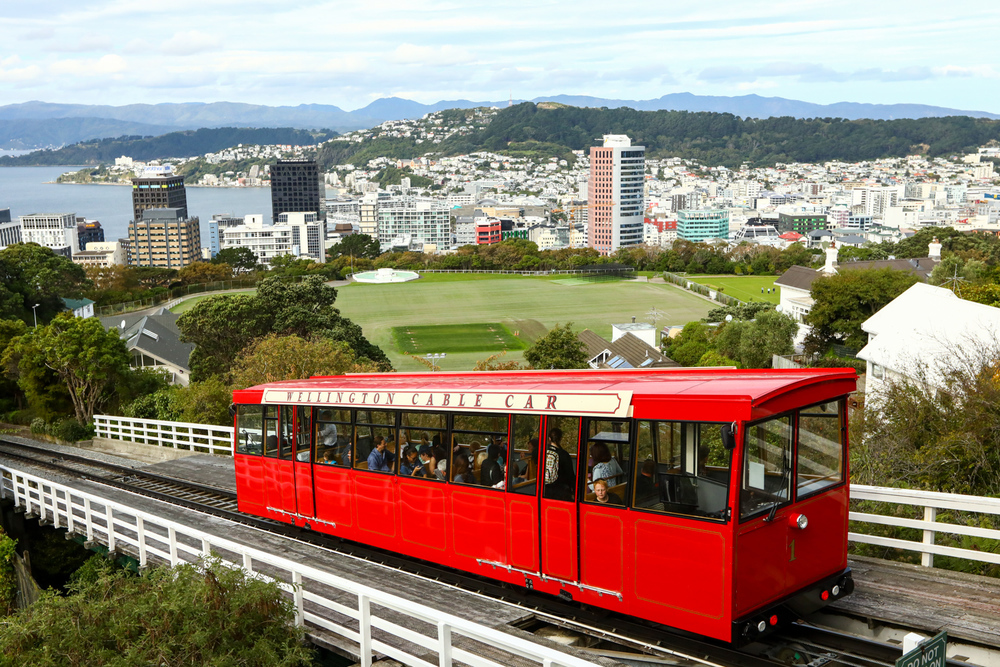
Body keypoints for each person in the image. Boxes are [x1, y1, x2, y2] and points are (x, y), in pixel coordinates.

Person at [543, 428, 575, 501]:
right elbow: (570, 475)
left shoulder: (544, 452)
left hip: (545, 488)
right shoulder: (564, 454)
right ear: (560, 438)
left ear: (549, 438)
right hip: (561, 489)